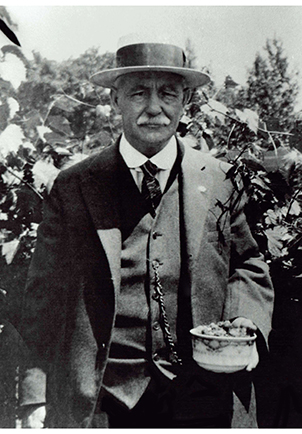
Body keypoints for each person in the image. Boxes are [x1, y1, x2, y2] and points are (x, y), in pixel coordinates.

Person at [19, 35, 274, 428]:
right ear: (115, 100)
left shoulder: (221, 180)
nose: (154, 108)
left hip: (206, 399)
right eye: (139, 93)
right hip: (101, 402)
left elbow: (248, 263)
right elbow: (43, 298)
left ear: (185, 101)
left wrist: (245, 321)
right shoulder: (74, 187)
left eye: (168, 93)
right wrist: (34, 396)